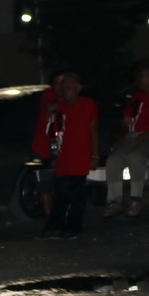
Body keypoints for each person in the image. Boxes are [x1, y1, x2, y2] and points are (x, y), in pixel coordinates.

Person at [103, 63, 149, 218]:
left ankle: (135, 198)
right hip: (133, 137)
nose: (138, 79)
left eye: (142, 76)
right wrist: (121, 135)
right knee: (113, 159)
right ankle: (114, 201)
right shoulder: (136, 97)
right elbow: (125, 122)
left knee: (135, 156)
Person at [42, 72, 99, 239]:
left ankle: (73, 228)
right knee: (60, 194)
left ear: (77, 88)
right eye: (63, 87)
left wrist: (95, 155)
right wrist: (55, 156)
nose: (64, 90)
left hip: (79, 157)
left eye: (68, 87)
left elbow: (93, 129)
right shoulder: (62, 107)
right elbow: (56, 132)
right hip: (64, 158)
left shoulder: (87, 104)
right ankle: (55, 227)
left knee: (76, 195)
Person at [30, 70, 66, 216]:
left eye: (63, 83)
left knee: (63, 186)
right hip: (43, 149)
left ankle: (61, 217)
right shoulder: (47, 96)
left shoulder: (71, 99)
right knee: (45, 186)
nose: (60, 86)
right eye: (57, 83)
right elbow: (50, 106)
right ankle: (50, 219)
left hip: (63, 150)